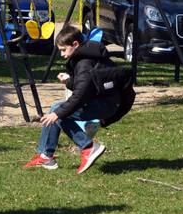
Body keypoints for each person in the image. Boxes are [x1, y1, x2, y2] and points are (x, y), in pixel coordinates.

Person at [24, 26, 119, 173]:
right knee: (57, 108)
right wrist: (69, 81)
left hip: (106, 104)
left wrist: (57, 114)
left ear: (75, 44)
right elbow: (88, 85)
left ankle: (88, 147)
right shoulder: (85, 56)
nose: (62, 54)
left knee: (58, 112)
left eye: (63, 49)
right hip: (104, 100)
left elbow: (81, 95)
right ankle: (45, 155)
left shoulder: (84, 62)